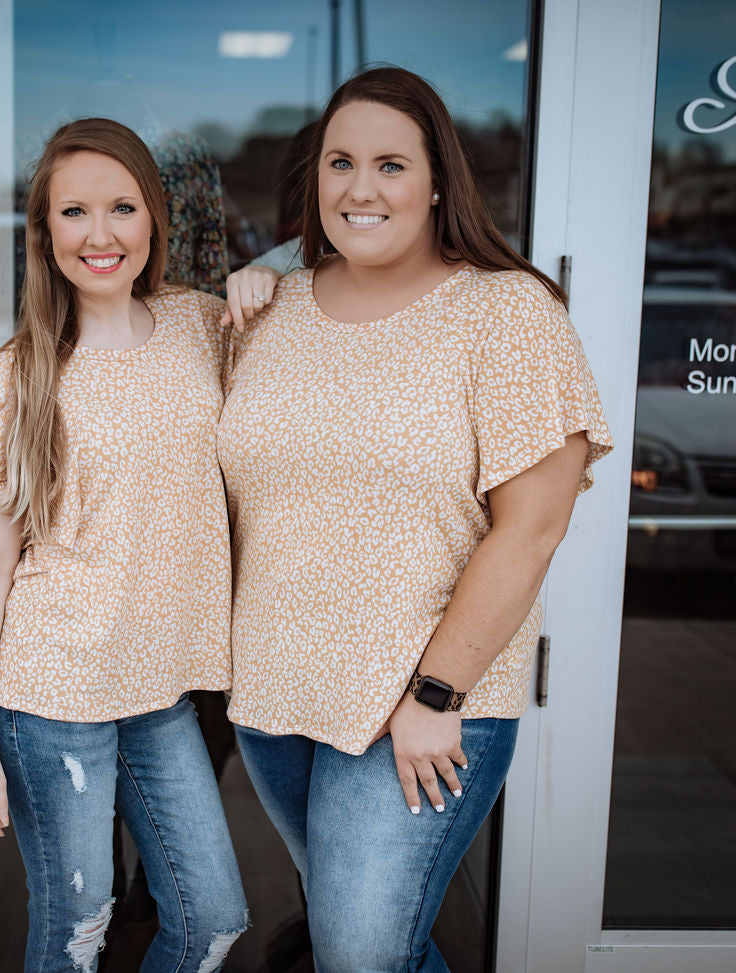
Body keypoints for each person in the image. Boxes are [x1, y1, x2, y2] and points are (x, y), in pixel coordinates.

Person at [217, 66, 613, 972]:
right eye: (340, 163)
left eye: (391, 165)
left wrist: (437, 696)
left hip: (419, 704)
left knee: (359, 951)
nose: (360, 188)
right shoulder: (272, 312)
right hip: (277, 695)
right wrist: (262, 270)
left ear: (438, 182)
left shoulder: (506, 313)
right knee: (359, 943)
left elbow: (532, 529)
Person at [0, 117, 247, 973]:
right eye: (74, 212)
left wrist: (266, 280)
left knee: (213, 919)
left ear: (154, 217)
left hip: (160, 690)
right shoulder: (17, 377)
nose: (100, 234)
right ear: (45, 231)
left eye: (122, 207)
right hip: (52, 693)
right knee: (78, 928)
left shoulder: (201, 326)